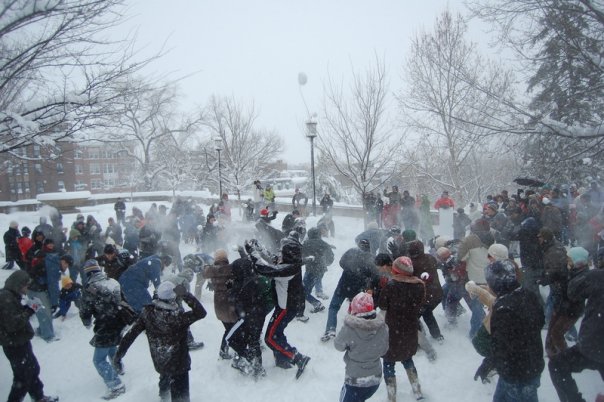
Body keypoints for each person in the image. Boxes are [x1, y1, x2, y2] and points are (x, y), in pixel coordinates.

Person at [114, 281, 207, 402]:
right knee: (180, 396)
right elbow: (201, 312)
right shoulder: (178, 317)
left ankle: (164, 396)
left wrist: (118, 356)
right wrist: (185, 294)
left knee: (165, 373)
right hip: (179, 365)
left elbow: (130, 336)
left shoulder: (147, 313)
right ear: (174, 298)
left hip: (160, 360)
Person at [246, 236, 311, 378]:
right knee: (277, 333)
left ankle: (298, 358)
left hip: (286, 308)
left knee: (270, 338)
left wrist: (252, 252)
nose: (279, 254)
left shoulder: (287, 270)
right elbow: (273, 260)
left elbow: (264, 268)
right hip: (286, 305)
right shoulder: (291, 263)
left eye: (282, 251)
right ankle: (282, 359)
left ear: (288, 254)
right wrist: (260, 248)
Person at [549, 250, 604, 402]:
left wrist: (576, 271)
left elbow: (572, 291)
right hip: (594, 345)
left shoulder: (597, 276)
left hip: (594, 346)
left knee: (557, 365)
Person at [487, 260, 544, 402]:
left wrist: (489, 362)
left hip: (515, 373)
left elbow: (503, 345)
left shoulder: (503, 308)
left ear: (497, 283)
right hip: (532, 365)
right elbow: (539, 322)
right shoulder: (528, 295)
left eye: (489, 281)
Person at [0, 270, 59, 402]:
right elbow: (13, 324)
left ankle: (39, 397)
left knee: (32, 369)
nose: (27, 289)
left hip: (20, 341)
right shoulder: (5, 298)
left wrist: (27, 308)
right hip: (14, 344)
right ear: (18, 284)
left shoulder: (11, 295)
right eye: (26, 285)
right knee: (22, 377)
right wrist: (30, 309)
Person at [378, 256, 426, 401]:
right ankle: (417, 391)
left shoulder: (391, 286)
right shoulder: (419, 285)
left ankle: (392, 396)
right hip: (410, 328)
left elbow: (382, 305)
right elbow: (421, 304)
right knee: (407, 358)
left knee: (388, 361)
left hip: (392, 330)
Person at [79, 261, 129, 400]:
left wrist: (86, 321)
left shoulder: (90, 288)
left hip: (105, 325)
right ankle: (118, 368)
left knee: (99, 360)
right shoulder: (113, 282)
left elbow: (85, 310)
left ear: (88, 273)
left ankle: (116, 385)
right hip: (119, 323)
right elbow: (124, 300)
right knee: (112, 347)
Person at [334, 292, 389, 402]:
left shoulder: (349, 328)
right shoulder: (383, 327)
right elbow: (384, 350)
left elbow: (338, 345)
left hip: (355, 380)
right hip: (375, 379)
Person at [321, 239, 378, 342]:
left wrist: (349, 269)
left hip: (344, 284)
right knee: (355, 309)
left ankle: (330, 329)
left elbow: (341, 263)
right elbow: (374, 274)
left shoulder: (351, 251)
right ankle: (353, 332)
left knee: (334, 307)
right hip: (358, 288)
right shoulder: (371, 258)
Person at [202, 249, 238, 360]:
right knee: (233, 328)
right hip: (230, 301)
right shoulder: (232, 268)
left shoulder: (211, 270)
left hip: (219, 302)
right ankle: (229, 350)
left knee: (229, 328)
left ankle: (225, 350)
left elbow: (205, 271)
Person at [301, 227, 335, 312]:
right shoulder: (324, 243)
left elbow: (301, 256)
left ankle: (316, 304)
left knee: (303, 290)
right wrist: (324, 263)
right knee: (306, 289)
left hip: (311, 270)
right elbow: (331, 257)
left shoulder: (306, 243)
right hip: (321, 269)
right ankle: (305, 303)